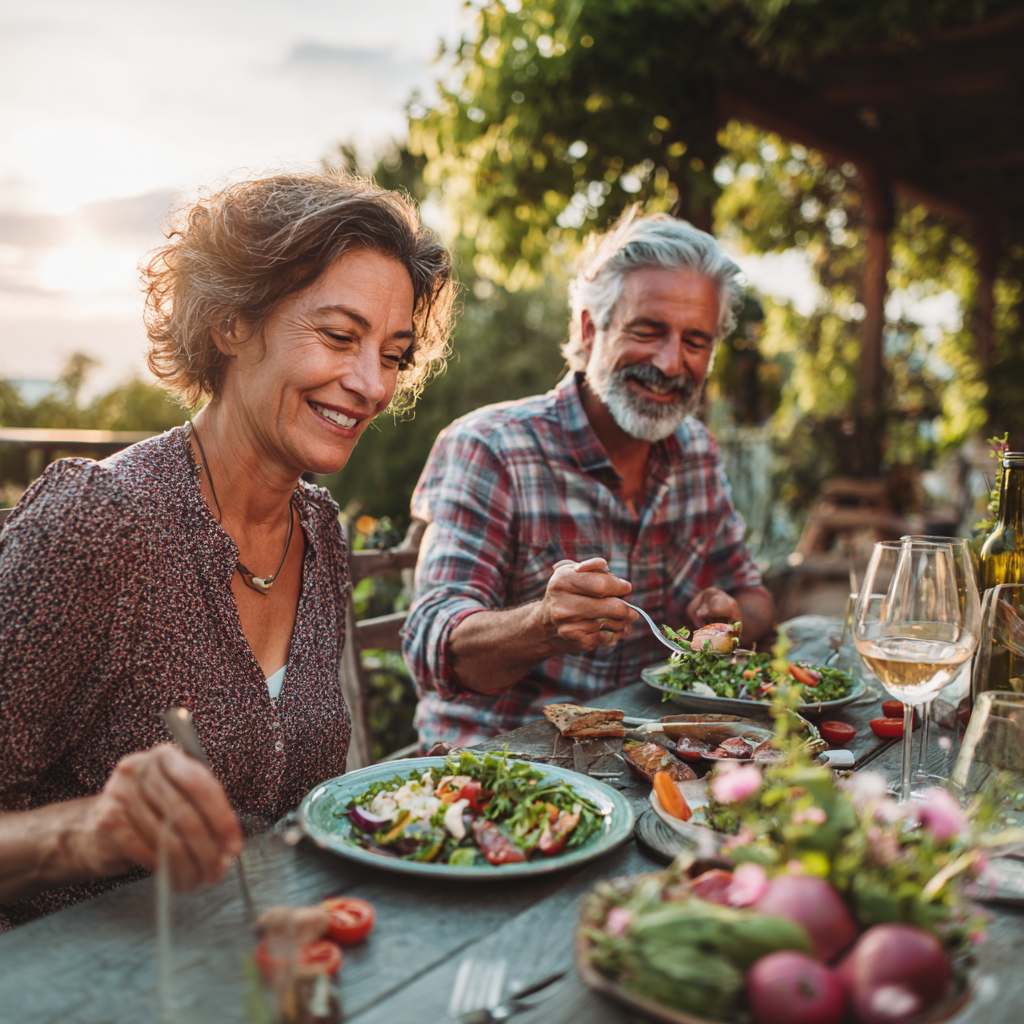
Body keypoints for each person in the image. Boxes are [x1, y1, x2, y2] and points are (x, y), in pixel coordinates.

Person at [0, 173, 454, 929]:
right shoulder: (97, 522)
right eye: (340, 336)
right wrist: (88, 832)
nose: (373, 383)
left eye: (394, 354)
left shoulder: (319, 531)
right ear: (231, 323)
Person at [403, 209, 772, 748]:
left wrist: (729, 619)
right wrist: (543, 626)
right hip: (503, 763)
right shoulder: (492, 446)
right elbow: (436, 650)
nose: (672, 364)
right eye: (648, 331)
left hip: (651, 753)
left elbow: (754, 595)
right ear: (588, 327)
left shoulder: (698, 453)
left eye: (696, 341)